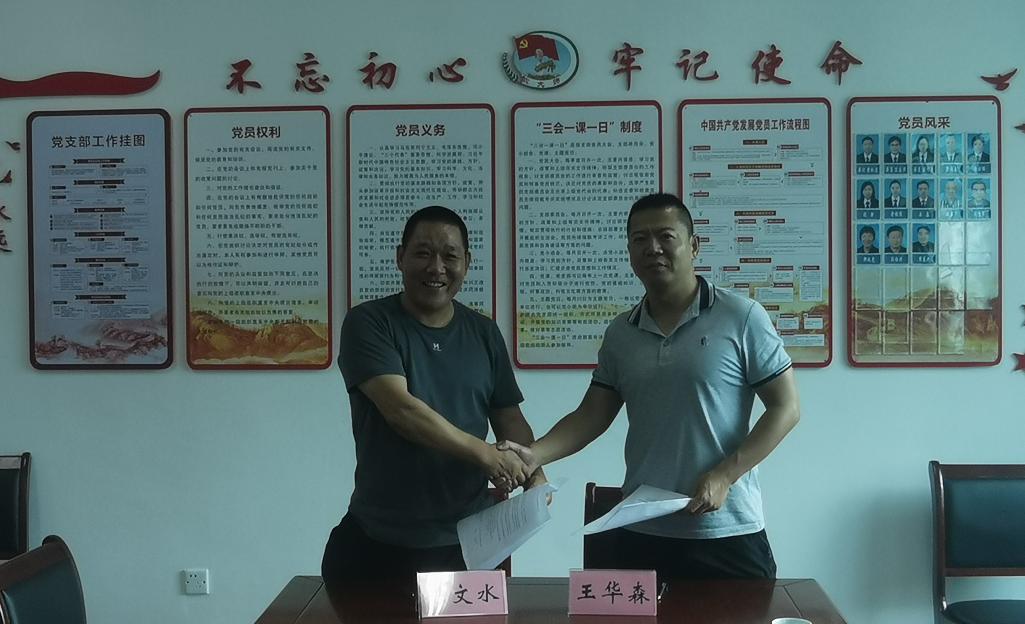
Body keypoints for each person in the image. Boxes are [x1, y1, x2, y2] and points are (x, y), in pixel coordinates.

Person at [501, 193, 800, 580]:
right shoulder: (621, 333)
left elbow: (786, 408)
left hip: (726, 530)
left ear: (693, 246)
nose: (652, 248)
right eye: (639, 239)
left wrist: (725, 474)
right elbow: (591, 415)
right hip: (642, 529)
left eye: (665, 236)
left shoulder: (741, 317)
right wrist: (533, 455)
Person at [322, 205, 546, 585]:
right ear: (400, 257)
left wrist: (534, 474)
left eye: (450, 256)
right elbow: (402, 411)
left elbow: (509, 418)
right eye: (423, 253)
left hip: (467, 544)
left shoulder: (484, 332)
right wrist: (486, 455)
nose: (436, 268)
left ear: (467, 263)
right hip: (378, 542)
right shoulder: (369, 322)